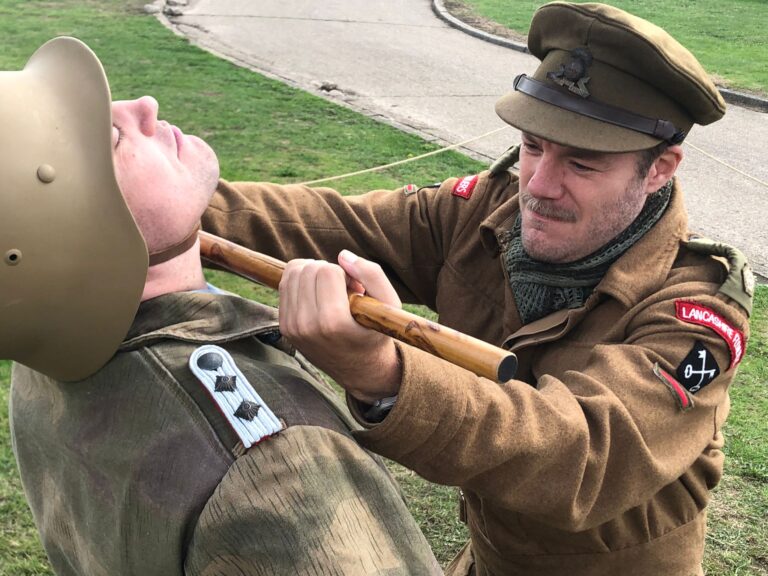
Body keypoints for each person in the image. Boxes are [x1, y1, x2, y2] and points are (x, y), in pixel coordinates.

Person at [200, 3, 755, 575]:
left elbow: (585, 457)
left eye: (582, 165)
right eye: (533, 146)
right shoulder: (484, 214)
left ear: (660, 167)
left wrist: (383, 373)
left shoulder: (697, 310)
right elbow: (322, 222)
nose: (538, 186)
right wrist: (178, 199)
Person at [3, 37, 441, 575]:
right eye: (112, 136)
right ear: (84, 225)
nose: (144, 105)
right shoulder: (277, 467)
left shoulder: (49, 355)